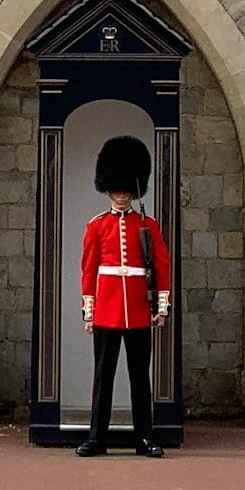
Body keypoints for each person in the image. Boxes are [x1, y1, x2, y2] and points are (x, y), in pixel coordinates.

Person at [76, 134, 172, 458]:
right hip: (106, 309)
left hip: (138, 309)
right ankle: (96, 438)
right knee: (103, 378)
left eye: (126, 191)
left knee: (139, 379)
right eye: (116, 191)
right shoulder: (96, 226)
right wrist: (89, 311)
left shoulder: (148, 225)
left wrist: (161, 306)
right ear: (108, 190)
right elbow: (89, 271)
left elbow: (161, 266)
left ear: (134, 190)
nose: (121, 196)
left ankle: (144, 438)